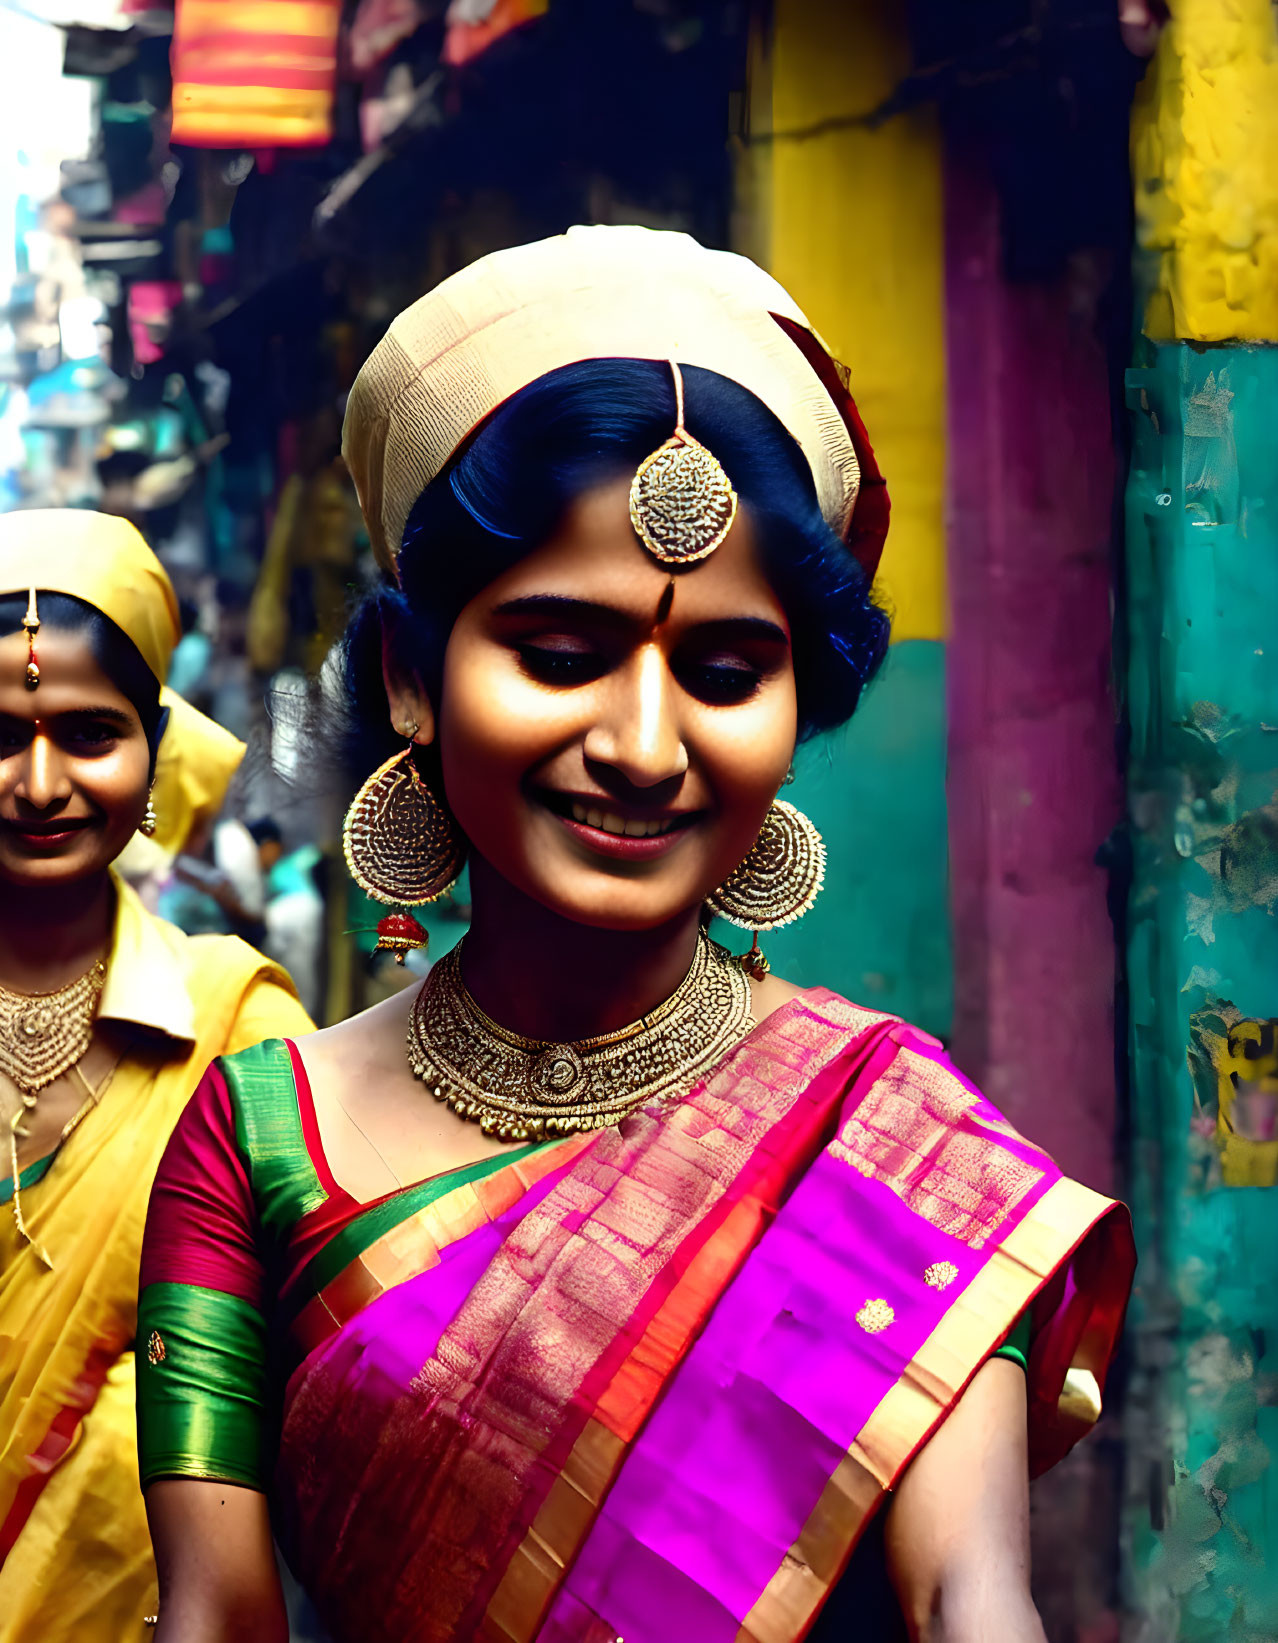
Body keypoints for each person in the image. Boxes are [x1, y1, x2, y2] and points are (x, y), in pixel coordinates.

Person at [138, 227, 1134, 1643]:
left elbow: (966, 1601)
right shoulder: (257, 1140)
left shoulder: (894, 1142)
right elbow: (213, 1617)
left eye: (725, 672)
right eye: (559, 653)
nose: (645, 743)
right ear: (413, 677)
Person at [0, 510, 314, 1643]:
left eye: (89, 733)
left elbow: (318, 1379)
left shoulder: (238, 1024)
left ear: (156, 752)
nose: (40, 782)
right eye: (1, 733)